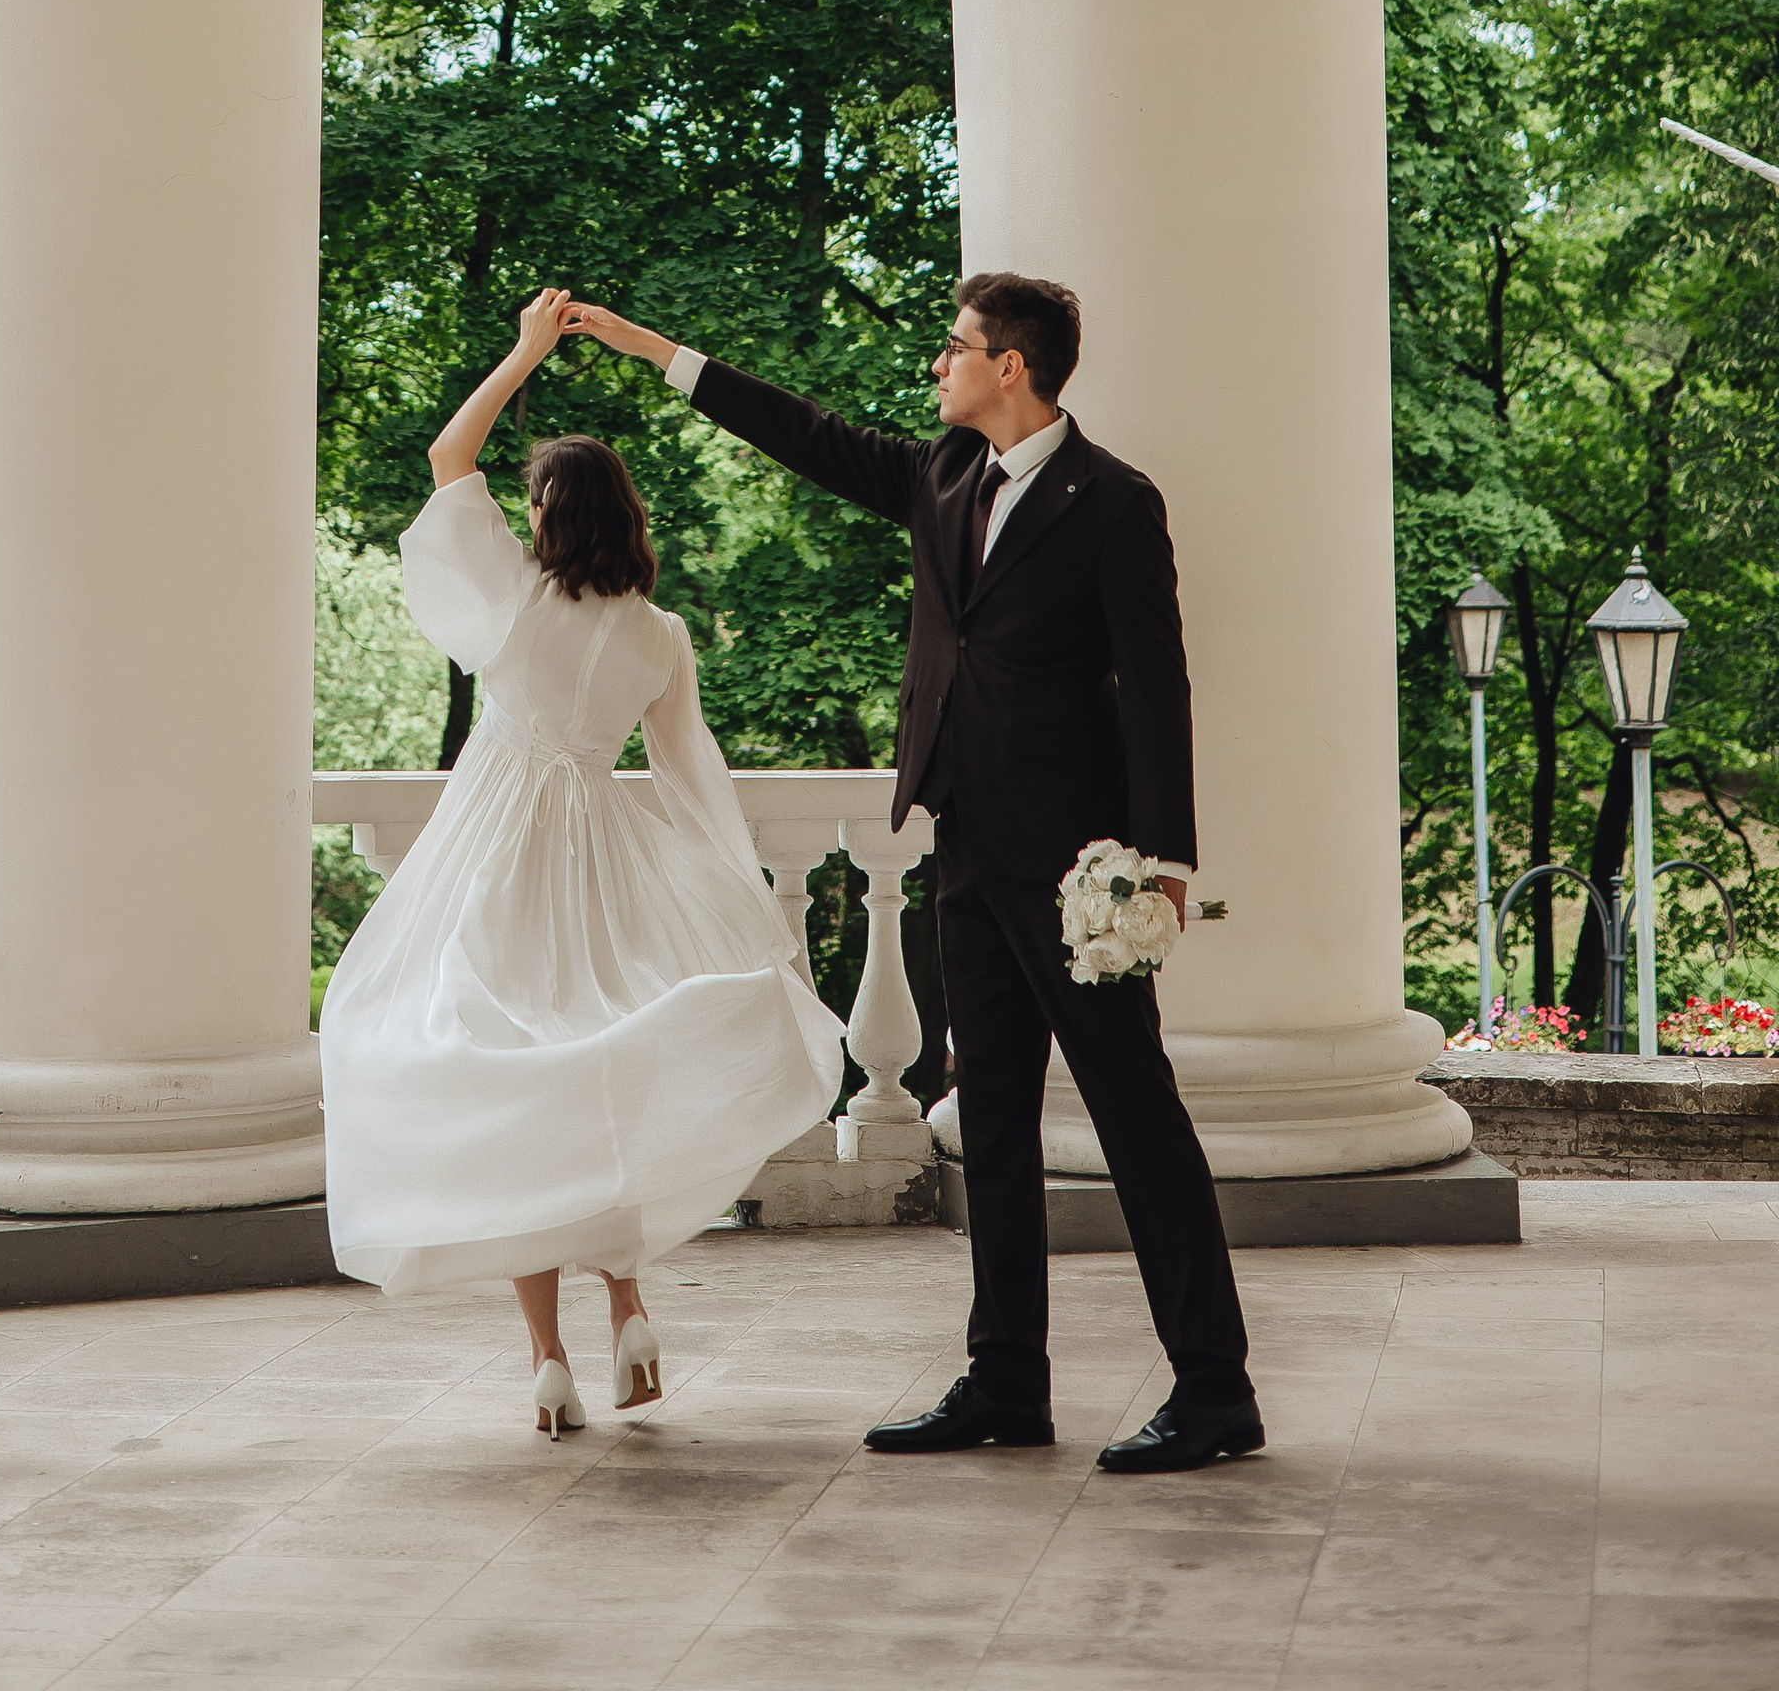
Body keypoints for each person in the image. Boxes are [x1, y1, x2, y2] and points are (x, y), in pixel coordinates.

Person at [564, 274, 1261, 1476]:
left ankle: (1214, 1393)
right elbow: (803, 434)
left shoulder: (1114, 504)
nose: (937, 364)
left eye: (955, 347)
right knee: (984, 1123)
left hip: (1078, 872)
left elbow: (1157, 687)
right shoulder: (940, 477)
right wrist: (651, 351)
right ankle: (1006, 1382)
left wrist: (1158, 864)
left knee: (1136, 1121)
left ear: (1013, 367)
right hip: (964, 851)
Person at [319, 288, 844, 1439]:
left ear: (550, 512)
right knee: (598, 1069)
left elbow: (447, 451)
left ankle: (549, 1362)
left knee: (505, 1076)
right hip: (604, 852)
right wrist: (743, 907)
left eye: (531, 496)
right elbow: (693, 776)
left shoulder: (516, 597)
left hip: (497, 849)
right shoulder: (659, 636)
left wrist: (522, 353)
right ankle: (633, 1313)